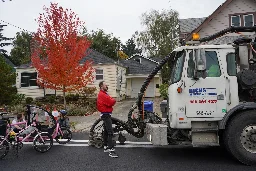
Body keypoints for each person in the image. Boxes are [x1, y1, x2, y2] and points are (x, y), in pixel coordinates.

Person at [97, 81, 118, 158]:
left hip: (105, 114)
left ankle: (105, 146)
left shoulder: (103, 94)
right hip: (106, 115)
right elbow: (111, 102)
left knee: (106, 131)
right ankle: (111, 150)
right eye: (106, 85)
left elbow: (109, 101)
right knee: (110, 132)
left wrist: (111, 100)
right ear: (102, 86)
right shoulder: (103, 94)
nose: (107, 86)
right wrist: (113, 100)